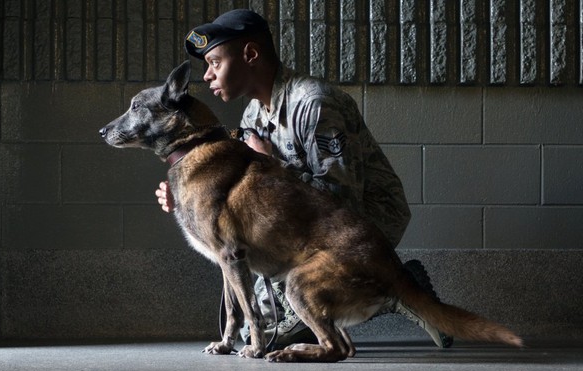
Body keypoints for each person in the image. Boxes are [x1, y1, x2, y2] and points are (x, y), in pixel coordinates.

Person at [156, 8, 453, 349]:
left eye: (215, 62)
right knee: (251, 332)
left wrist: (272, 163)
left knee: (292, 308)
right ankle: (372, 285)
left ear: (250, 54)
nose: (207, 75)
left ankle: (396, 288)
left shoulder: (313, 103)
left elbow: (344, 200)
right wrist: (190, 197)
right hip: (305, 227)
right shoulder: (254, 112)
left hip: (363, 225)